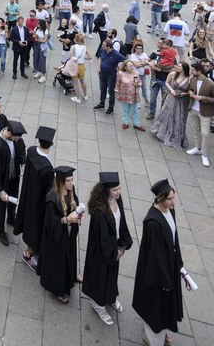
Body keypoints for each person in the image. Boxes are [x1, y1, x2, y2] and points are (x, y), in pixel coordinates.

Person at [132, 179, 184, 346]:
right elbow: (155, 256)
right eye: (169, 199)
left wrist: (179, 265)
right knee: (157, 304)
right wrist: (164, 279)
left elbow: (174, 238)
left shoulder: (170, 211)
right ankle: (155, 333)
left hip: (169, 265)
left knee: (166, 304)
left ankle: (164, 328)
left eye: (173, 198)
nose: (173, 202)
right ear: (160, 199)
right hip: (157, 273)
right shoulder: (153, 223)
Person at [82, 172, 133, 325]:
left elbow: (121, 219)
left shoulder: (118, 199)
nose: (118, 192)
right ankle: (97, 305)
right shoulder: (100, 211)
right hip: (102, 250)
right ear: (106, 191)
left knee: (112, 274)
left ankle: (110, 297)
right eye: (115, 190)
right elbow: (102, 238)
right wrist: (114, 253)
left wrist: (123, 243)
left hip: (114, 245)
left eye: (119, 188)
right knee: (100, 276)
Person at [13, 126, 55, 270]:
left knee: (29, 222)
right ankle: (28, 254)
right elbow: (48, 191)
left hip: (28, 195)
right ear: (52, 143)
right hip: (38, 204)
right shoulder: (48, 169)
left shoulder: (31, 151)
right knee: (36, 228)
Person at [38, 166, 81, 304]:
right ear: (61, 182)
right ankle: (58, 290)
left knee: (70, 256)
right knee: (58, 263)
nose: (71, 183)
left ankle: (71, 276)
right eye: (68, 180)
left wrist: (78, 214)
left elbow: (75, 204)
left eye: (71, 179)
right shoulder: (52, 199)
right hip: (56, 237)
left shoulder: (71, 191)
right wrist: (66, 220)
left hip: (68, 234)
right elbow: (50, 222)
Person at [0, 120, 27, 246]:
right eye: (15, 138)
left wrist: (23, 164)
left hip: (12, 176)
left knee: (13, 197)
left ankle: (11, 217)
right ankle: (0, 229)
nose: (17, 140)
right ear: (8, 132)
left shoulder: (16, 138)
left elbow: (21, 150)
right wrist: (0, 190)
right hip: (2, 181)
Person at [151, 63, 190, 150]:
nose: (177, 67)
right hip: (171, 97)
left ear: (184, 69)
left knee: (178, 118)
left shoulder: (189, 78)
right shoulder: (172, 74)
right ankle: (162, 133)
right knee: (166, 114)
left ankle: (175, 136)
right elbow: (167, 83)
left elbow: (190, 91)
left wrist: (184, 93)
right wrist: (172, 90)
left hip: (181, 101)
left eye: (179, 66)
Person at [186, 61, 214, 167]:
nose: (191, 72)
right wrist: (190, 92)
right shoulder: (192, 79)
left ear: (198, 71)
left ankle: (205, 154)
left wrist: (202, 98)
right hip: (193, 109)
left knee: (205, 133)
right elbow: (190, 89)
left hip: (205, 112)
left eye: (193, 70)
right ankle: (197, 148)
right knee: (196, 130)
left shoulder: (210, 83)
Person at [94, 39, 124, 115]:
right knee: (102, 89)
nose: (102, 46)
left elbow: (125, 60)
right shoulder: (102, 50)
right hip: (102, 74)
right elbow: (100, 57)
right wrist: (99, 67)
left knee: (111, 92)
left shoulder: (116, 54)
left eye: (104, 45)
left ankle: (111, 108)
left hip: (111, 75)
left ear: (109, 46)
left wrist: (119, 67)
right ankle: (101, 104)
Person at [115, 59, 145, 131]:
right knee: (125, 109)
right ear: (125, 67)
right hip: (124, 94)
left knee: (135, 110)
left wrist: (138, 84)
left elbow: (140, 82)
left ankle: (136, 124)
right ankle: (125, 122)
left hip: (134, 95)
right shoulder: (121, 74)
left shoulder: (136, 73)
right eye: (130, 66)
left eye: (132, 66)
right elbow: (117, 84)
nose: (132, 67)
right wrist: (117, 94)